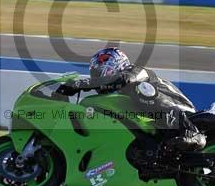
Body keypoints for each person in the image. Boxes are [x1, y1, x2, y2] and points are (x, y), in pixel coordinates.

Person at [57, 47, 207, 151]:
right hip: (159, 123)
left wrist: (81, 84)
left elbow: (123, 80)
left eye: (99, 73)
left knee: (140, 89)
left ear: (115, 65)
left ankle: (191, 133)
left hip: (183, 112)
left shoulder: (136, 71)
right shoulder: (119, 94)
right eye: (94, 74)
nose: (96, 77)